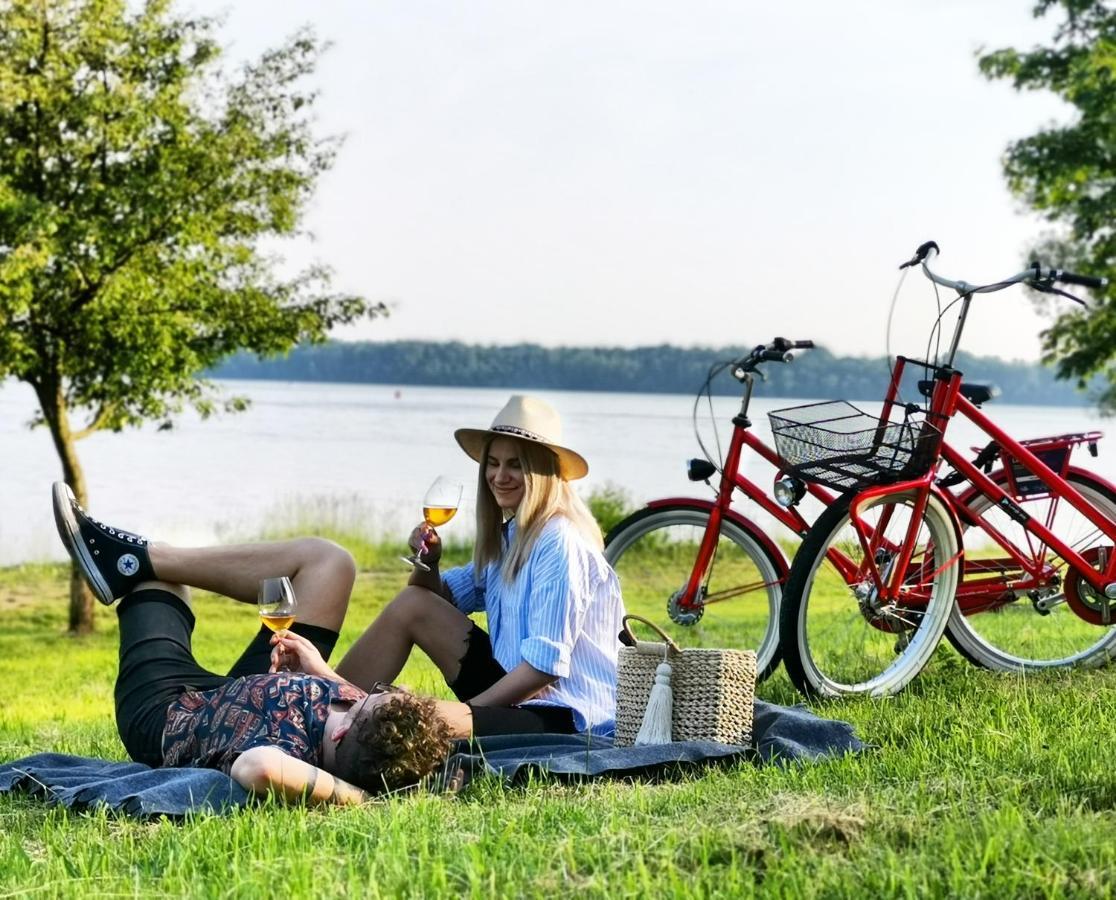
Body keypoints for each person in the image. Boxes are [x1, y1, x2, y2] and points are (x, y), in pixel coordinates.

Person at [51, 483, 452, 805]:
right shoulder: (360, 727)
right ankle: (140, 555)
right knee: (330, 562)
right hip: (230, 691)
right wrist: (320, 672)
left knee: (156, 584)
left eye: (359, 701)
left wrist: (358, 798)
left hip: (164, 712)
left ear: (340, 736)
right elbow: (373, 717)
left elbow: (259, 769)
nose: (353, 694)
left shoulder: (284, 753)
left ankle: (129, 563)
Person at [332, 395, 626, 738]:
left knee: (396, 719)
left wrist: (470, 713)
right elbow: (434, 601)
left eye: (515, 464)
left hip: (565, 715)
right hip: (516, 689)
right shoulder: (513, 536)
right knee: (412, 603)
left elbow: (544, 669)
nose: (499, 476)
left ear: (542, 471)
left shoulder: (558, 541)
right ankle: (323, 705)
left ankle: (331, 719)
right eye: (493, 463)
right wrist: (428, 563)